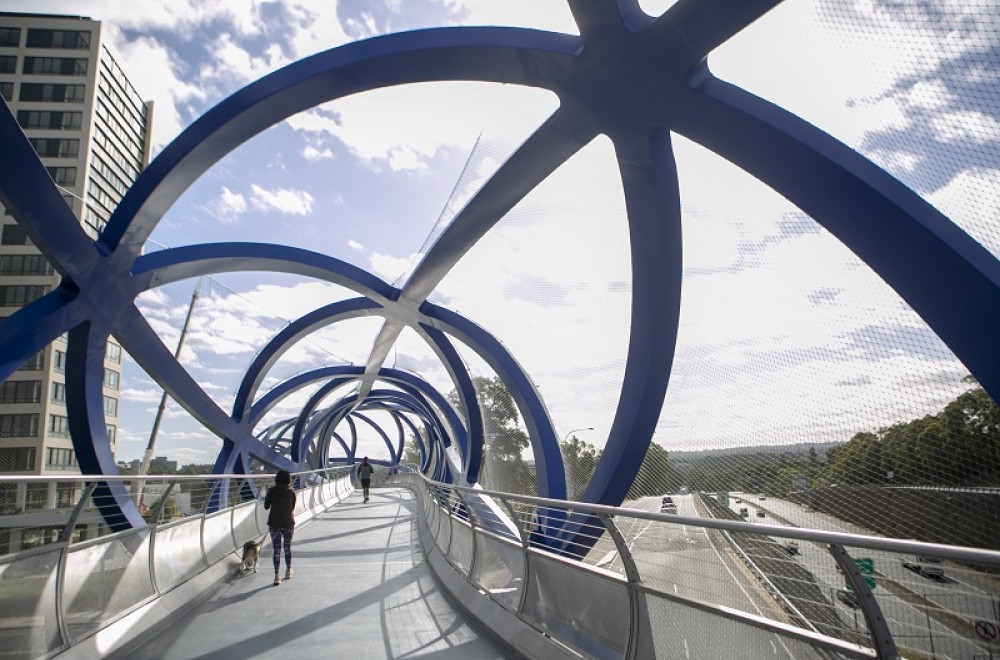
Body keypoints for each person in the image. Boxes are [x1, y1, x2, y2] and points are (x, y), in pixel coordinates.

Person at [264, 469, 296, 586]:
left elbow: (266, 506)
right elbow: (292, 508)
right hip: (288, 523)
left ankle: (276, 576)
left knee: (276, 550)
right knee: (287, 548)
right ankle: (288, 571)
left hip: (274, 524)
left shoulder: (272, 491)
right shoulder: (291, 491)